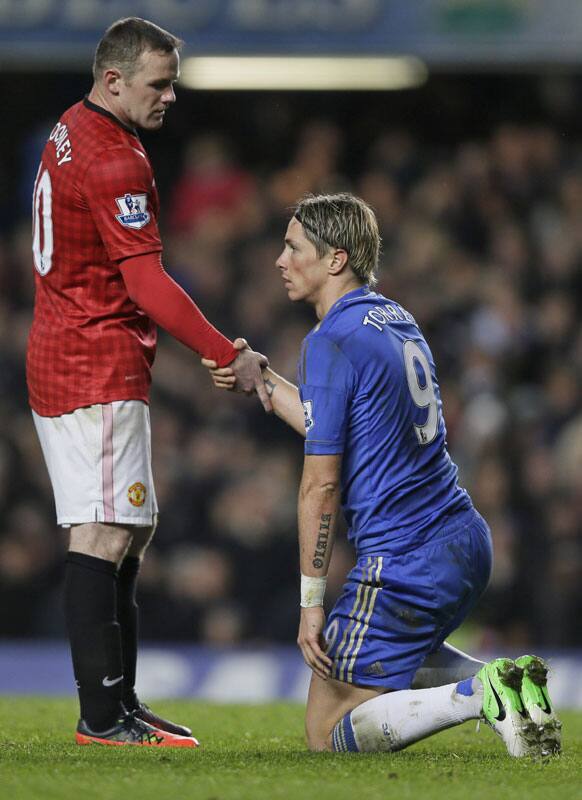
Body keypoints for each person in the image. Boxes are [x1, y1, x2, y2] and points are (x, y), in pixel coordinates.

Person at [203, 193, 562, 758]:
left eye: (294, 247)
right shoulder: (394, 319)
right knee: (395, 654)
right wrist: (265, 383)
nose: (280, 259)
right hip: (463, 539)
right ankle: (509, 683)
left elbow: (320, 485)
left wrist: (310, 603)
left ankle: (477, 695)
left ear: (335, 260)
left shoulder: (329, 341)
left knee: (327, 729)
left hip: (404, 556)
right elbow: (349, 425)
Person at [27, 17, 270, 748]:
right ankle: (103, 719)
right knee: (103, 531)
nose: (170, 97)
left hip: (71, 348)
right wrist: (227, 351)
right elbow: (146, 283)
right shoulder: (113, 158)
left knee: (129, 529)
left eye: (172, 82)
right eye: (158, 85)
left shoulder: (74, 125)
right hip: (91, 360)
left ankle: (121, 706)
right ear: (113, 80)